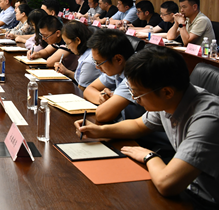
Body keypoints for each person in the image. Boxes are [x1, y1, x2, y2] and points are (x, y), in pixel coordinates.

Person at [76, 46, 219, 208]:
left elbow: (167, 184)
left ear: (167, 92)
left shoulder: (209, 119)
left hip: (207, 199)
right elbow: (138, 125)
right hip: (188, 187)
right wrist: (100, 131)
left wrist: (150, 156)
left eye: (138, 94)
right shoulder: (171, 100)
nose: (135, 99)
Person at [82, 29, 143, 123]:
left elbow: (102, 115)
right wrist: (103, 97)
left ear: (118, 59)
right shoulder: (118, 67)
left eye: (99, 63)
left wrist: (111, 101)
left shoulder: (135, 74)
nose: (97, 67)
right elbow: (88, 90)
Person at [54, 21, 100, 89]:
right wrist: (66, 72)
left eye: (68, 43)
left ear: (78, 40)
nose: (68, 47)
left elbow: (81, 88)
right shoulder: (87, 53)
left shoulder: (89, 61)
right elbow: (81, 78)